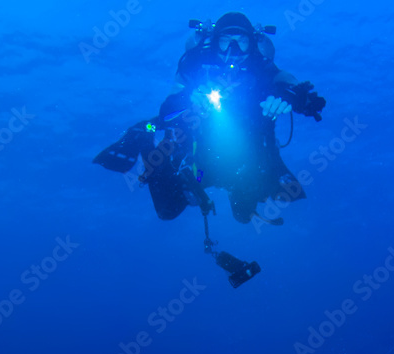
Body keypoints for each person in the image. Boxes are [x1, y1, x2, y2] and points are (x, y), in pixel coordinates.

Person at [95, 12, 326, 226]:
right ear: (215, 41)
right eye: (226, 39)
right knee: (167, 210)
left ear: (252, 43)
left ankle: (244, 193)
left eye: (241, 40)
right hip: (201, 158)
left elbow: (290, 84)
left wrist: (291, 97)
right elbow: (167, 111)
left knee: (246, 214)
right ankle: (144, 139)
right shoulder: (196, 65)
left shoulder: (262, 68)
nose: (233, 47)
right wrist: (188, 98)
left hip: (250, 157)